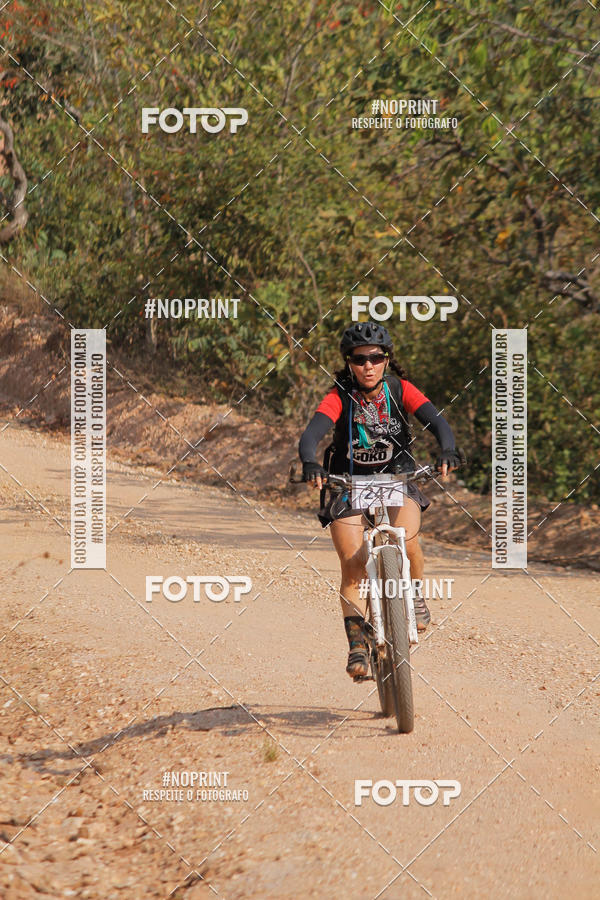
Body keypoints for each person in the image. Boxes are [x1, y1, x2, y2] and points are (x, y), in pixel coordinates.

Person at [298, 321, 463, 679]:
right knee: (353, 565)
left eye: (375, 357)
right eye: (359, 360)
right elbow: (312, 434)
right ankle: (358, 645)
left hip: (397, 478)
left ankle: (414, 594)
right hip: (348, 482)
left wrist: (448, 449)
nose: (368, 366)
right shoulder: (339, 395)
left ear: (386, 359)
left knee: (408, 541)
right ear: (349, 363)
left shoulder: (400, 389)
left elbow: (437, 422)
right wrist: (310, 462)